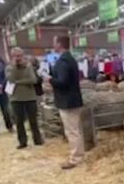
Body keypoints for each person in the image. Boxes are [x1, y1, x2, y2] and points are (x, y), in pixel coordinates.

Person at [44, 36, 84, 170]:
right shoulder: (69, 58)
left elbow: (62, 82)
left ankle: (75, 159)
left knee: (72, 131)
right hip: (72, 99)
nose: (53, 45)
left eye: (54, 42)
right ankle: (79, 155)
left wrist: (49, 79)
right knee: (76, 130)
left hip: (67, 101)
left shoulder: (63, 61)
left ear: (59, 44)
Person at [6, 47, 43, 149]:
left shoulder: (29, 66)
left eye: (20, 55)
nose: (19, 58)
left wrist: (18, 82)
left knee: (33, 120)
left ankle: (37, 139)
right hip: (16, 99)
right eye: (16, 56)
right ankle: (22, 142)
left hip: (30, 97)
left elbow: (33, 80)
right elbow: (10, 79)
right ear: (12, 56)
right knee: (19, 122)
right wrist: (14, 67)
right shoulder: (9, 67)